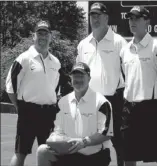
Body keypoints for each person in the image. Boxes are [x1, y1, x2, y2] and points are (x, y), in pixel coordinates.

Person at [5, 20, 68, 166]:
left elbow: (56, 88)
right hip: (28, 111)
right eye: (39, 33)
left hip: (49, 114)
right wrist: (19, 106)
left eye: (46, 34)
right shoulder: (24, 58)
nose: (42, 37)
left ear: (50, 36)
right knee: (21, 153)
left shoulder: (56, 62)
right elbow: (10, 87)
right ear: (34, 36)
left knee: (49, 153)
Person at [120, 6, 157, 166]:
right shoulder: (124, 50)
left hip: (150, 108)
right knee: (128, 157)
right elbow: (125, 79)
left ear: (147, 21)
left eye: (137, 18)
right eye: (130, 18)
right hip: (129, 109)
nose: (132, 22)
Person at [77, 2, 127, 166]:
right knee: (90, 146)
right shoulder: (83, 44)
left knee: (122, 146)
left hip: (114, 101)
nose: (95, 19)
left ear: (106, 17)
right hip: (90, 101)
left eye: (99, 15)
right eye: (92, 15)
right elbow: (78, 75)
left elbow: (129, 75)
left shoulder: (119, 42)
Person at [37, 62, 113, 166]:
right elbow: (58, 130)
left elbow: (106, 134)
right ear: (70, 79)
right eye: (75, 76)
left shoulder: (101, 102)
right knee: (42, 151)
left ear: (89, 78)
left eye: (82, 76)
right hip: (69, 153)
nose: (78, 80)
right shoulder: (63, 102)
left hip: (94, 156)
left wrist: (84, 142)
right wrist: (55, 141)